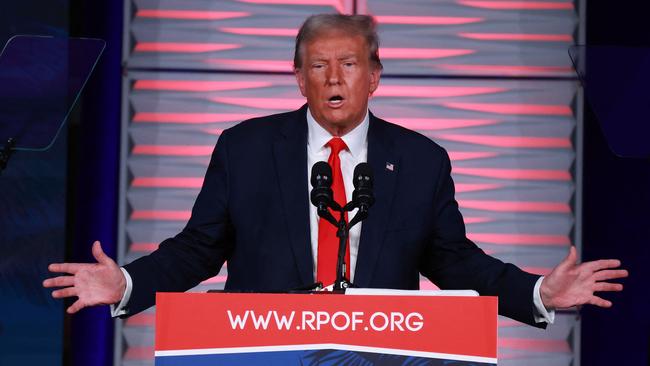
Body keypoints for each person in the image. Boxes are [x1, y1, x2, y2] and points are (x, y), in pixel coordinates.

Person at [43, 14, 627, 327]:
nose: (332, 79)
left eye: (348, 64)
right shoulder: (244, 147)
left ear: (374, 77)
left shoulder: (422, 160)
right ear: (299, 78)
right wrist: (128, 283)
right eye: (317, 66)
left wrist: (535, 292)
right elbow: (199, 248)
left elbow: (453, 260)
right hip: (260, 349)